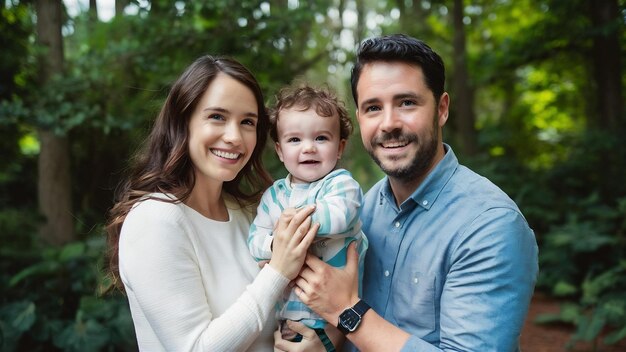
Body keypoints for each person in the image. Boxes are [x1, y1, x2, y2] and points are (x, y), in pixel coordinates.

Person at [288, 34, 539, 351]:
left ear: (442, 109)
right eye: (373, 107)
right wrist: (326, 343)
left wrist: (346, 312)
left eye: (407, 102)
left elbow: (345, 308)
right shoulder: (361, 210)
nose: (389, 123)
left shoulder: (490, 226)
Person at [105, 55, 319, 351]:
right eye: (217, 117)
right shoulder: (155, 220)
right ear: (184, 121)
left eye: (247, 122)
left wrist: (320, 344)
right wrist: (277, 272)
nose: (234, 136)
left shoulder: (250, 214)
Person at [248, 85, 368, 351]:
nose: (309, 148)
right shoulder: (274, 196)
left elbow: (339, 216)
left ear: (340, 147)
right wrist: (273, 245)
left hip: (332, 319)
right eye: (295, 140)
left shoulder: (342, 185)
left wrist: (288, 232)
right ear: (280, 151)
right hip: (287, 317)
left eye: (321, 138)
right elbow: (255, 240)